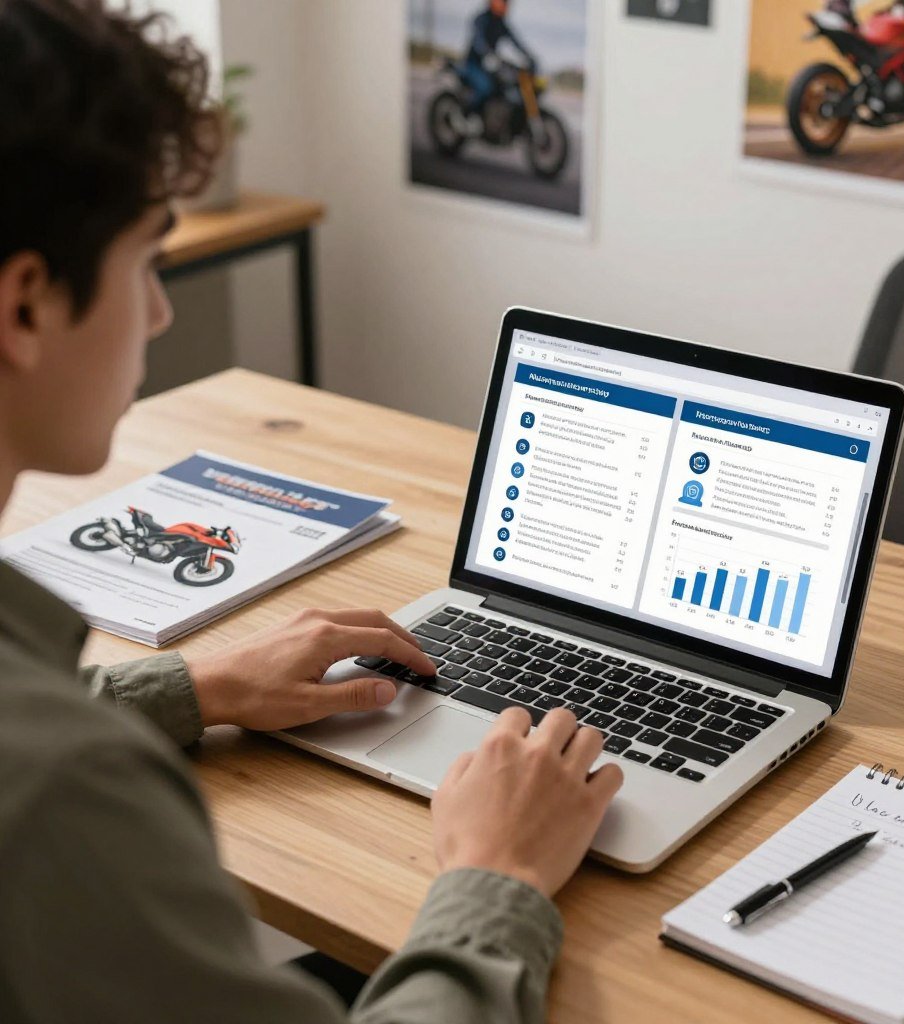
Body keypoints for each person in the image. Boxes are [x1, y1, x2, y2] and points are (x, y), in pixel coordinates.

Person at [0, 2, 623, 1022]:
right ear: (27, 304)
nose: (159, 312)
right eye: (149, 261)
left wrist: (191, 685)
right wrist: (497, 878)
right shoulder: (64, 803)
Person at [462, 0, 536, 122]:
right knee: (486, 88)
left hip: (490, 66)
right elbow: (477, 39)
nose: (506, 5)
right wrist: (486, 52)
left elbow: (516, 43)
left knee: (505, 87)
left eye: (507, 3)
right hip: (474, 64)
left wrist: (529, 57)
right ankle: (467, 115)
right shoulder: (481, 19)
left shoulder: (502, 24)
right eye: (503, 2)